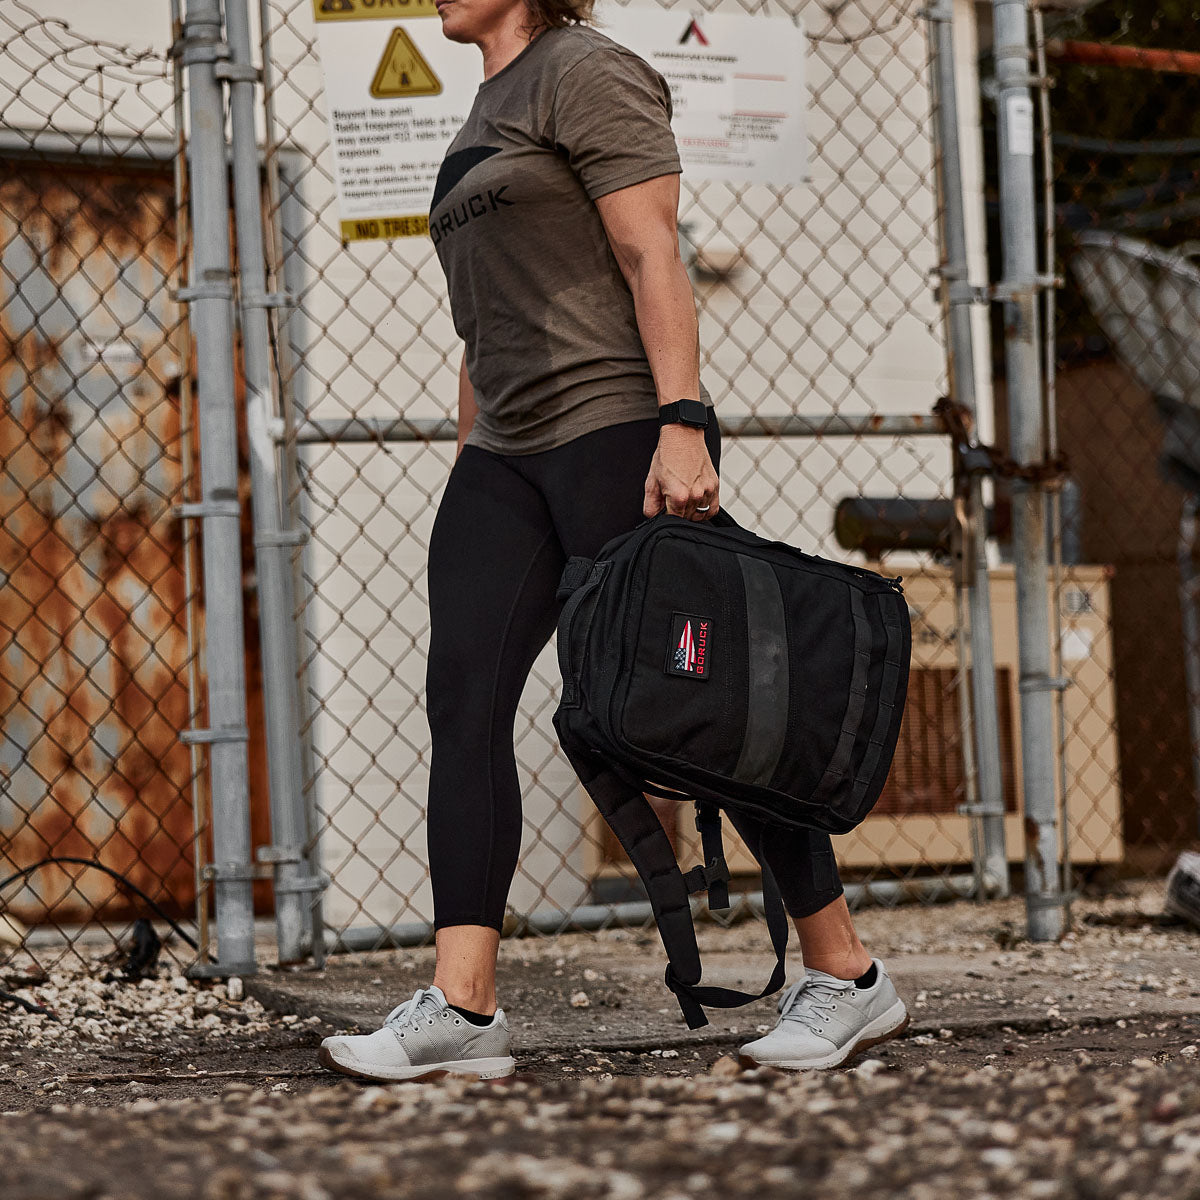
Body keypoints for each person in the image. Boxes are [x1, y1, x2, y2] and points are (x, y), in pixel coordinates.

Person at [318, 0, 909, 1083]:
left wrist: (683, 420)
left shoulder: (584, 70)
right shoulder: (483, 107)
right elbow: (480, 325)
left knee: (708, 702)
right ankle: (464, 1003)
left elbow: (651, 254)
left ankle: (849, 978)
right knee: (465, 697)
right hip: (505, 454)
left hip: (613, 432)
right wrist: (468, 456)